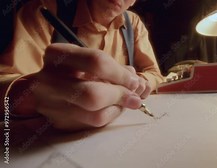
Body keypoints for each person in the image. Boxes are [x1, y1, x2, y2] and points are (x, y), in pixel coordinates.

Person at [0, 0, 164, 131]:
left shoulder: (134, 24)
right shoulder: (45, 10)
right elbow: (5, 82)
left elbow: (154, 73)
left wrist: (139, 82)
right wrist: (34, 97)